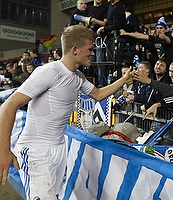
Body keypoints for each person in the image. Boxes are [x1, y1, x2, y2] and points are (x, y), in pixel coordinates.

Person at [0, 25, 132, 199]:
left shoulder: (78, 77)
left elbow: (99, 95)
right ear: (75, 50)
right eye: (90, 49)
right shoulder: (48, 72)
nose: (93, 53)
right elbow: (8, 105)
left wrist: (124, 80)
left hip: (59, 149)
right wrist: (3, 150)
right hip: (36, 151)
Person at [84, 0, 108, 88]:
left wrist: (93, 20)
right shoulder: (89, 9)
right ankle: (95, 82)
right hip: (89, 38)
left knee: (99, 61)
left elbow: (105, 23)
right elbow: (84, 23)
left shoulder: (105, 8)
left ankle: (101, 84)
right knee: (92, 61)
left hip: (100, 38)